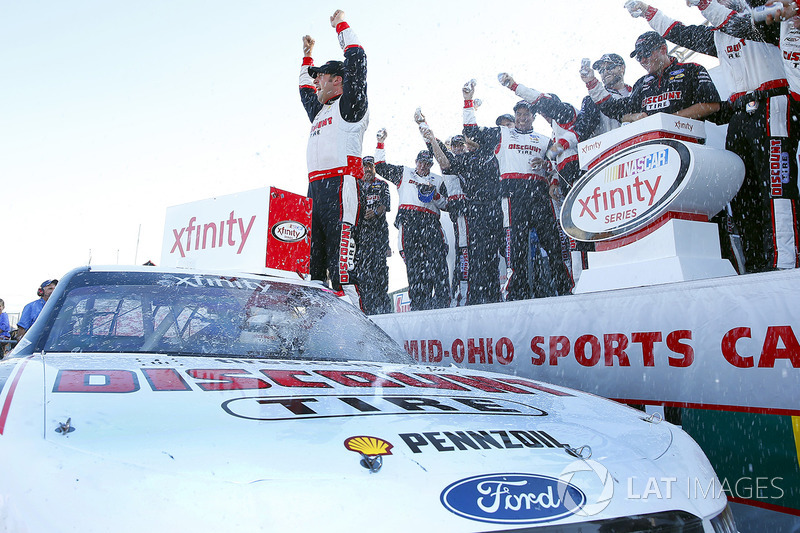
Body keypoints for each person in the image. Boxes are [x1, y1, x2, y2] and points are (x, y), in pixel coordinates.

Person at [676, 0, 800, 272]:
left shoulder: (764, 19)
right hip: (741, 112)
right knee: (743, 193)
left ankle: (786, 262)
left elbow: (738, 23)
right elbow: (681, 33)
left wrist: (704, 4)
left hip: (773, 103)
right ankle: (756, 264)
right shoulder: (719, 34)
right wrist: (649, 13)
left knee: (777, 187)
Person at [463, 80, 574, 300]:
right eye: (519, 115)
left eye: (527, 114)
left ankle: (565, 289)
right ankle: (517, 294)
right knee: (516, 249)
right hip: (513, 197)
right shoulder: (502, 134)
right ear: (515, 117)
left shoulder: (545, 139)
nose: (523, 118)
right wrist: (467, 101)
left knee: (554, 244)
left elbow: (556, 165)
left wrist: (547, 166)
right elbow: (471, 133)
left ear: (533, 117)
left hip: (540, 195)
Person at [299, 9, 368, 307]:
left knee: (342, 273)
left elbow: (358, 61)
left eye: (320, 77)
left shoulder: (351, 105)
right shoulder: (320, 110)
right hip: (314, 191)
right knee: (311, 270)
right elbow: (303, 91)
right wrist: (307, 57)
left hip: (342, 187)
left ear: (338, 80)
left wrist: (341, 25)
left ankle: (357, 337)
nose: (316, 83)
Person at [373, 129, 451, 311]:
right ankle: (419, 308)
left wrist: (435, 195)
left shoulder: (438, 180)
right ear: (416, 162)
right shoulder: (404, 173)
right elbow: (381, 166)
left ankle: (442, 306)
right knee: (415, 270)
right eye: (421, 162)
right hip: (410, 222)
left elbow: (448, 205)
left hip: (431, 224)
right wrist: (380, 143)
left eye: (427, 163)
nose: (423, 166)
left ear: (431, 165)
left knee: (438, 268)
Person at [587, 31, 721, 123]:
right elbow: (615, 110)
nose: (643, 60)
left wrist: (668, 120)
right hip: (652, 149)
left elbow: (712, 105)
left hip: (688, 143)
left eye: (646, 53)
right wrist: (591, 83)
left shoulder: (692, 69)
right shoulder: (641, 83)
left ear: (663, 49)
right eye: (639, 57)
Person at [355, 156, 392, 315]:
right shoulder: (355, 185)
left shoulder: (382, 184)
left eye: (370, 166)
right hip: (360, 239)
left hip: (379, 238)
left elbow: (386, 205)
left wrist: (375, 211)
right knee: (362, 276)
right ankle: (365, 312)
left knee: (380, 276)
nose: (368, 169)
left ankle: (384, 311)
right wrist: (362, 213)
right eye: (365, 166)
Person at [575, 53, 633, 140]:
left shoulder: (636, 92)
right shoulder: (592, 99)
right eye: (601, 70)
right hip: (611, 150)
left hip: (639, 146)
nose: (605, 72)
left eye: (610, 67)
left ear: (622, 68)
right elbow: (581, 133)